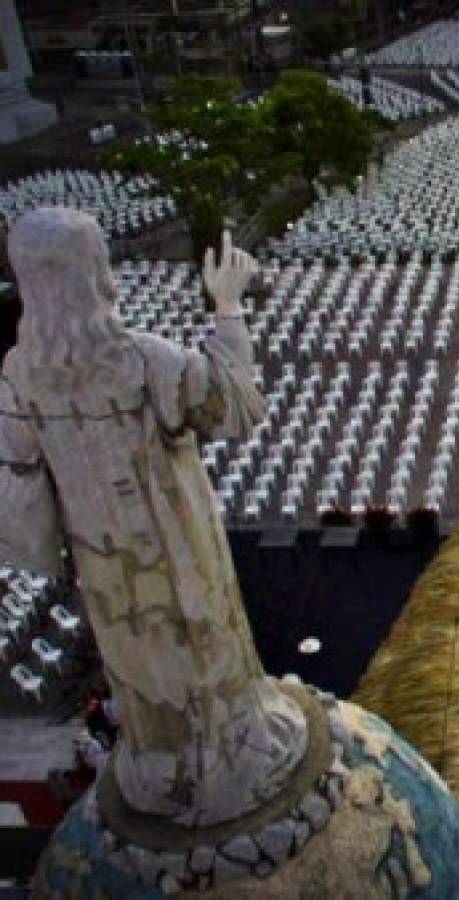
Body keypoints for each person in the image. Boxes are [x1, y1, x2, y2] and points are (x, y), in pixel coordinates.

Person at [0, 210, 308, 828]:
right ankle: (230, 757)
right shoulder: (144, 361)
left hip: (102, 558)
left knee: (136, 652)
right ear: (96, 273)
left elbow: (21, 485)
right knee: (201, 636)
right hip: (178, 544)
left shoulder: (18, 375)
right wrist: (227, 308)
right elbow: (235, 408)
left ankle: (162, 761)